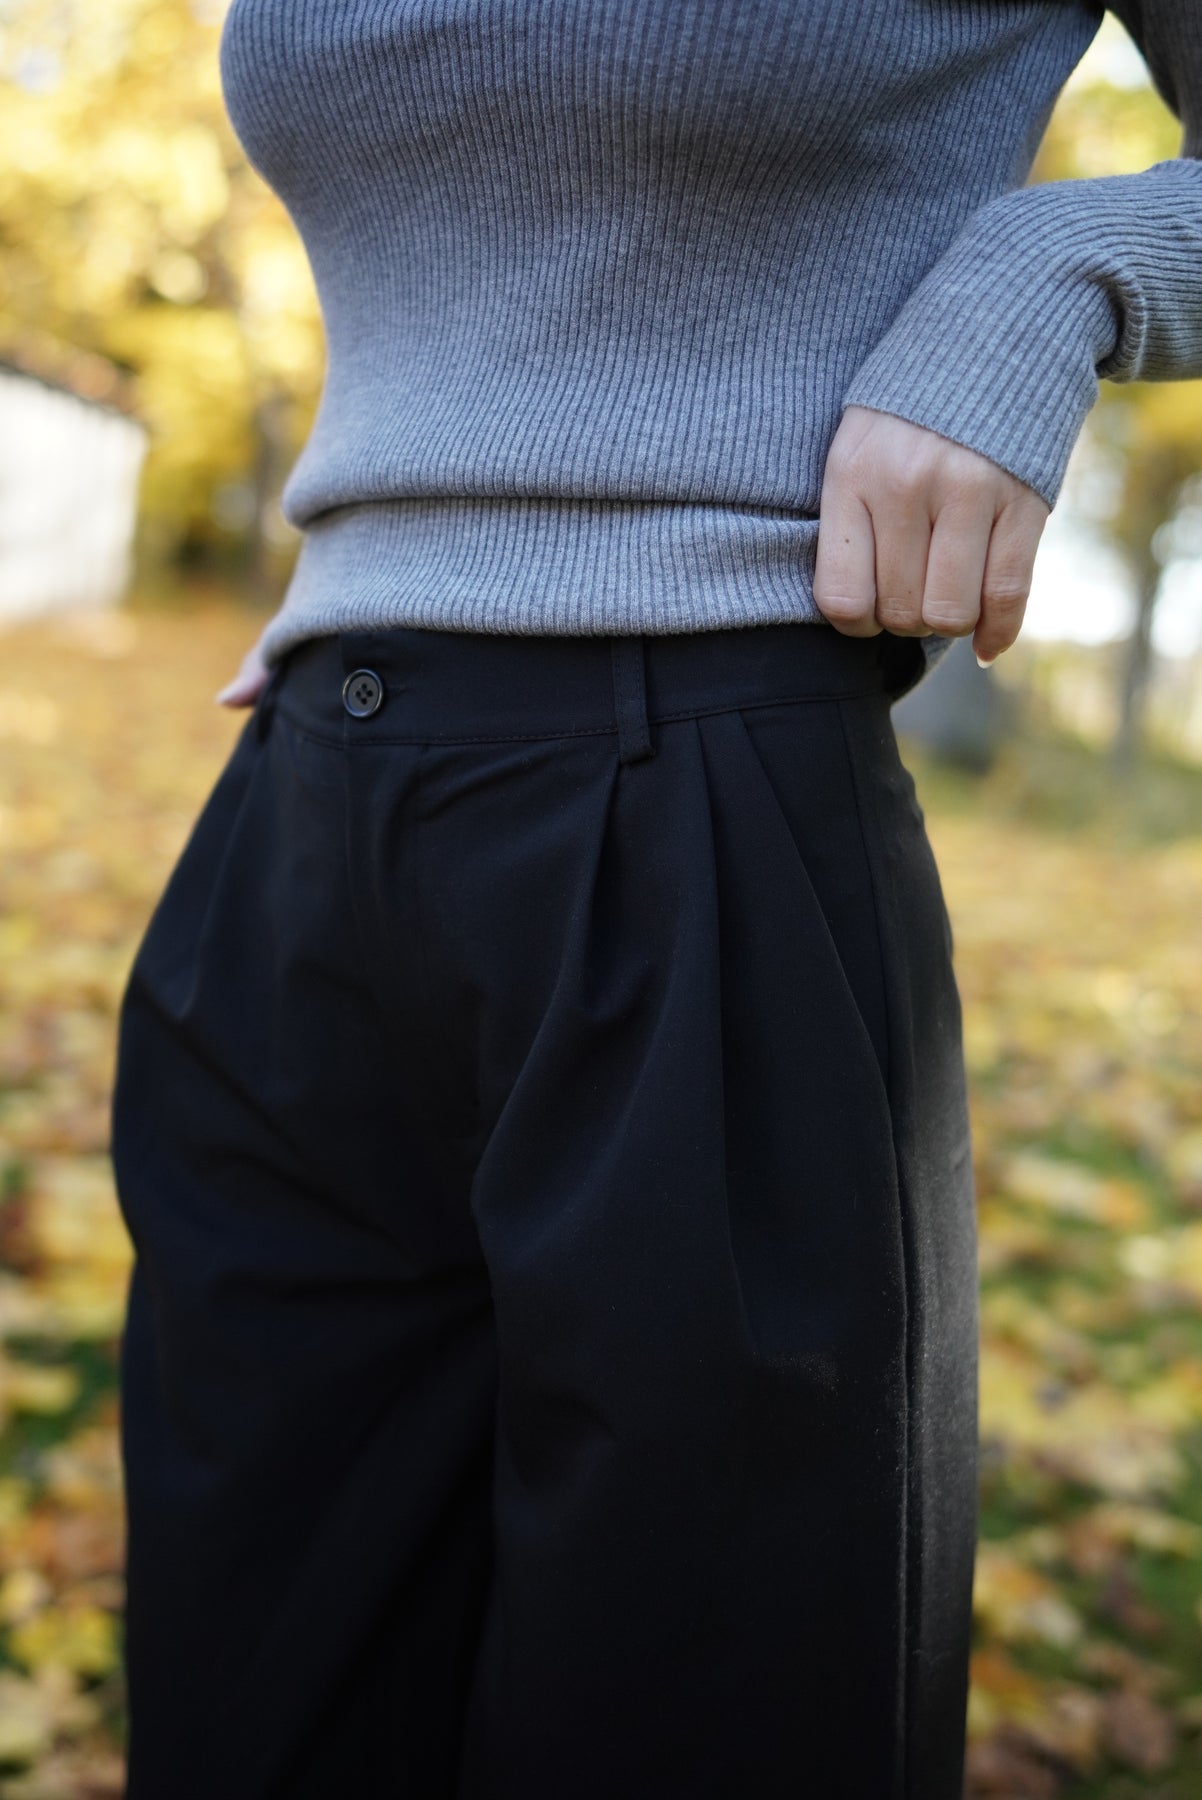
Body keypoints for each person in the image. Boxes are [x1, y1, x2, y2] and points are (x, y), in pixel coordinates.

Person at [108, 3, 1202, 1796]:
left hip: (704, 829)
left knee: (697, 1716)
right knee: (254, 1713)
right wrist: (400, 543)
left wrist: (1052, 273)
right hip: (301, 815)